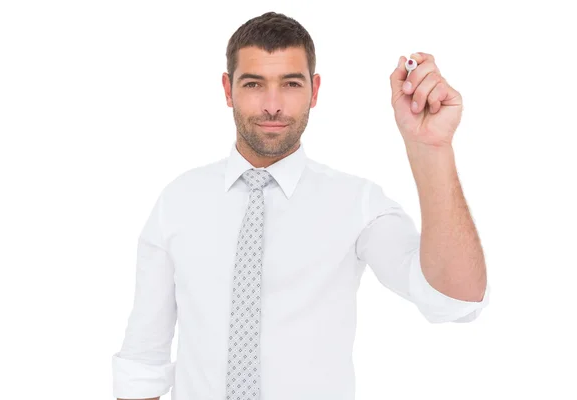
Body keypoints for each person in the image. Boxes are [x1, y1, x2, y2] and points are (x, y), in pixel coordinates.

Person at [111, 11, 490, 400]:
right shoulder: (179, 200)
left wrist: (432, 149)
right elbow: (144, 360)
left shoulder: (357, 204)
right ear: (228, 90)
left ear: (315, 89)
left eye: (290, 84)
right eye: (254, 83)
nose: (272, 105)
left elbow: (454, 299)